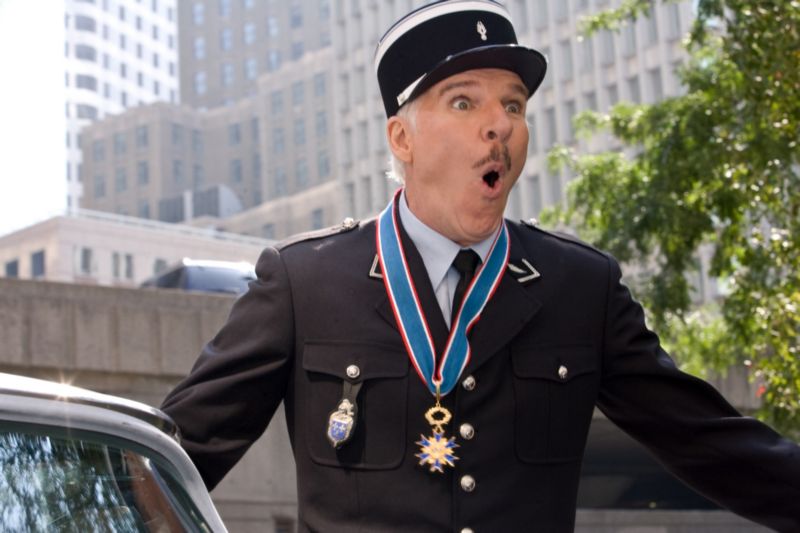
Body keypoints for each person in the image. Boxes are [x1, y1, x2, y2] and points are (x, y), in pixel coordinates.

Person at [161, 1, 800, 531]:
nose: (500, 125)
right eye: (465, 103)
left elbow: (711, 442)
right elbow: (166, 462)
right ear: (402, 138)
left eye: (514, 105)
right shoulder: (304, 283)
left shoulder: (582, 287)